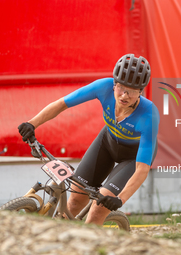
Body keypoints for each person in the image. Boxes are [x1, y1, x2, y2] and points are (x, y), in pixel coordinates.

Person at [18, 54, 159, 225]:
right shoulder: (103, 87)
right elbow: (63, 103)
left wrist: (120, 199)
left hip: (132, 158)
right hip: (107, 143)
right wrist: (32, 124)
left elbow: (142, 169)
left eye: (132, 90)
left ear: (141, 91)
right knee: (75, 200)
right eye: (121, 87)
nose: (124, 95)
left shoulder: (149, 115)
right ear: (114, 84)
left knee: (98, 210)